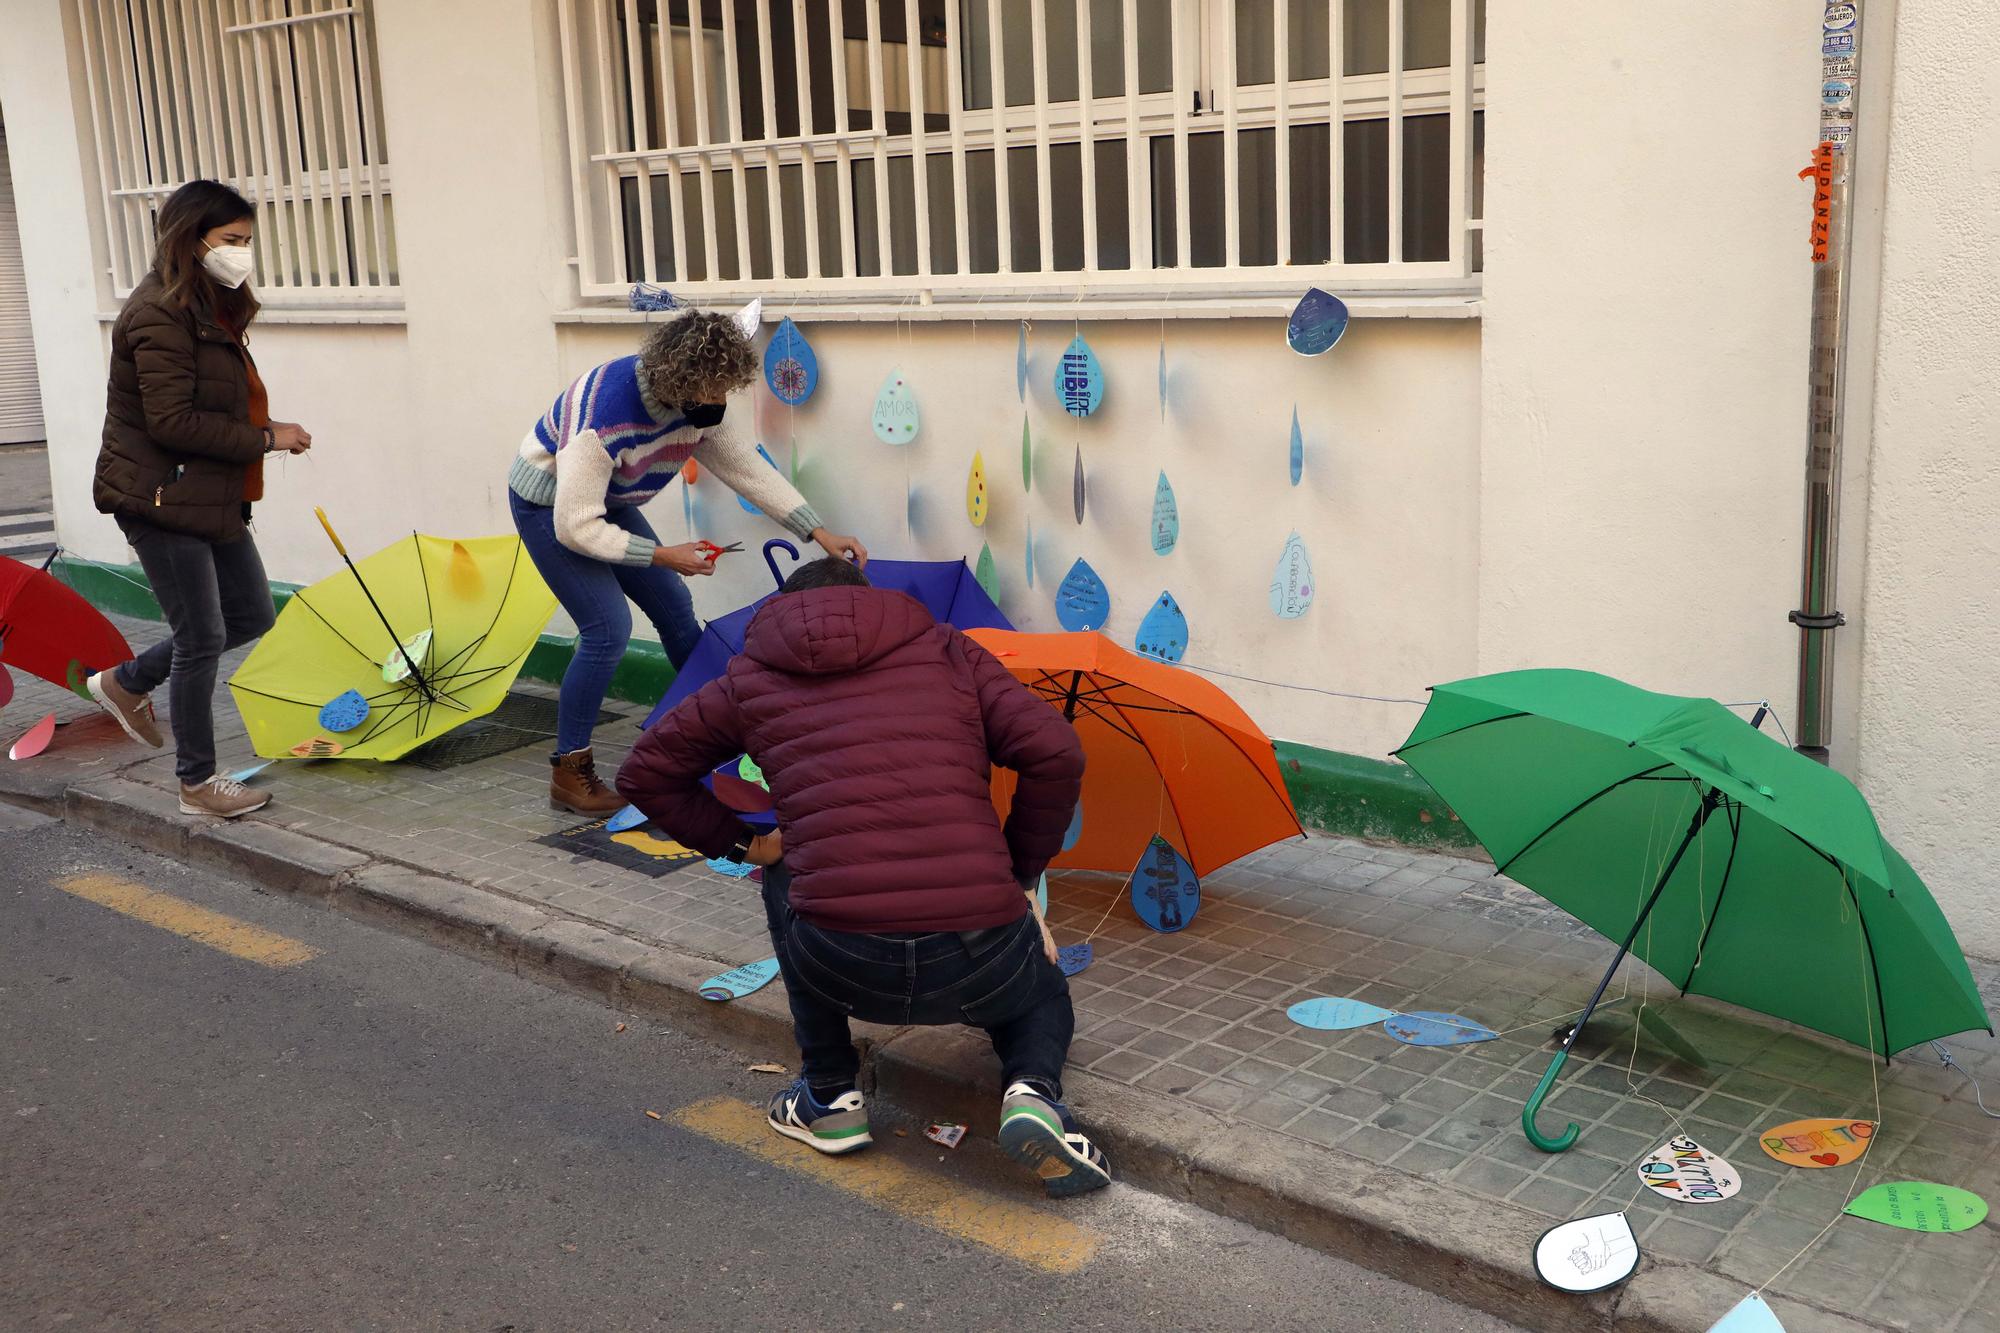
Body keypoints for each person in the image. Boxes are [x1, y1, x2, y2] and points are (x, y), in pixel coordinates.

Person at [617, 557, 1109, 1198]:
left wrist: (749, 843)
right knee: (1038, 993)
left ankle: (830, 1095)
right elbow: (1055, 750)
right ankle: (1032, 1093)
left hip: (840, 962)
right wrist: (1019, 876)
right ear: (871, 602)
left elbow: (644, 773)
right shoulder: (948, 651)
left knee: (789, 874)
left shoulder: (750, 676)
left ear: (783, 612)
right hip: (980, 955)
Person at [510, 306, 867, 815]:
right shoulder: (604, 420)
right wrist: (661, 554)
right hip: (551, 506)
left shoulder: (697, 401)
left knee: (675, 608)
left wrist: (816, 529)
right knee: (607, 628)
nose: (720, 402)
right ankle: (570, 772)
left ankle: (724, 729)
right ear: (678, 382)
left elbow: (745, 468)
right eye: (712, 391)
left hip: (607, 501)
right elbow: (576, 526)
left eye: (727, 389)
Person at [88, 180, 309, 818]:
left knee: (252, 614)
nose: (242, 254)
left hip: (209, 493)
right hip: (160, 496)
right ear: (191, 237)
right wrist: (268, 438)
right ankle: (197, 784)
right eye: (232, 241)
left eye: (247, 242)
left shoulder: (208, 306)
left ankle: (125, 682)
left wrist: (260, 437)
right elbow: (172, 424)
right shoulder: (158, 311)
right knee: (201, 637)